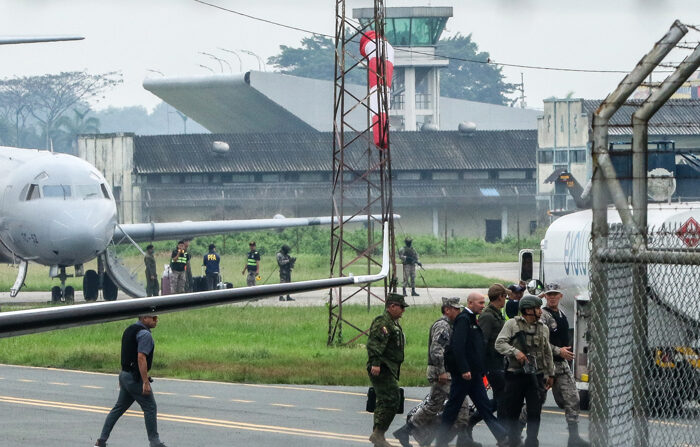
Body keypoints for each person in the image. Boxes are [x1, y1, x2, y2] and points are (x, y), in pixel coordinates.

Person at [393, 297, 477, 447]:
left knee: (433, 405)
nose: (458, 311)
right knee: (462, 404)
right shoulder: (443, 326)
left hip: (442, 371)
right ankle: (463, 438)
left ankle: (405, 431)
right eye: (455, 309)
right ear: (447, 309)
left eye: (459, 309)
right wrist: (441, 371)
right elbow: (437, 350)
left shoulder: (451, 325)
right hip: (442, 373)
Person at [434, 293, 509, 447]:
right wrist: (463, 369)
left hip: (474, 374)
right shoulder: (463, 320)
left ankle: (503, 438)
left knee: (484, 407)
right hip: (464, 375)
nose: (483, 305)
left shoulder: (472, 320)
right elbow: (458, 346)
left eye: (483, 303)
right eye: (480, 303)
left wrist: (480, 369)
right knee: (452, 408)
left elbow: (475, 348)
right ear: (470, 303)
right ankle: (441, 440)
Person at [93, 314, 167, 447]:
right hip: (134, 377)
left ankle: (101, 440)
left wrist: (123, 376)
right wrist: (145, 381)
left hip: (125, 374)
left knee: (119, 408)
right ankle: (154, 442)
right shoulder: (145, 335)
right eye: (154, 318)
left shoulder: (129, 329)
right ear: (144, 318)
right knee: (150, 407)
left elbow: (126, 353)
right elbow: (141, 358)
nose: (156, 320)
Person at [495, 295, 555, 447]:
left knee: (534, 413)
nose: (540, 311)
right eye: (537, 308)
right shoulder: (512, 325)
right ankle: (514, 441)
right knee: (513, 412)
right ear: (528, 310)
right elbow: (499, 344)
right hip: (515, 376)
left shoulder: (543, 328)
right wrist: (516, 352)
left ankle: (532, 442)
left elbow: (547, 352)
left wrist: (550, 373)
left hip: (536, 377)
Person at [540, 284, 590, 447]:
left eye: (555, 294)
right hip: (546, 364)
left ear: (560, 296)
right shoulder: (544, 316)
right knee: (536, 400)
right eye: (549, 295)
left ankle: (573, 437)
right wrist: (558, 351)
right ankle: (515, 433)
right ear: (545, 297)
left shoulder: (561, 314)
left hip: (561, 365)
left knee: (573, 399)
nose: (552, 297)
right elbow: (540, 341)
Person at [466, 284, 509, 437]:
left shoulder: (497, 314)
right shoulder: (488, 316)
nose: (506, 299)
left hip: (498, 362)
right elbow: (481, 342)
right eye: (505, 296)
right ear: (500, 297)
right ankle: (503, 433)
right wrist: (481, 366)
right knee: (502, 398)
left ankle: (473, 421)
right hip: (491, 363)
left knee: (500, 400)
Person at [366, 293, 408, 447]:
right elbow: (374, 344)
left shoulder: (392, 322)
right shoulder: (382, 322)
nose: (403, 311)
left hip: (389, 366)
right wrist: (375, 363)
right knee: (392, 399)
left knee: (385, 400)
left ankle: (378, 435)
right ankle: (379, 434)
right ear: (392, 306)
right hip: (382, 366)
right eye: (401, 307)